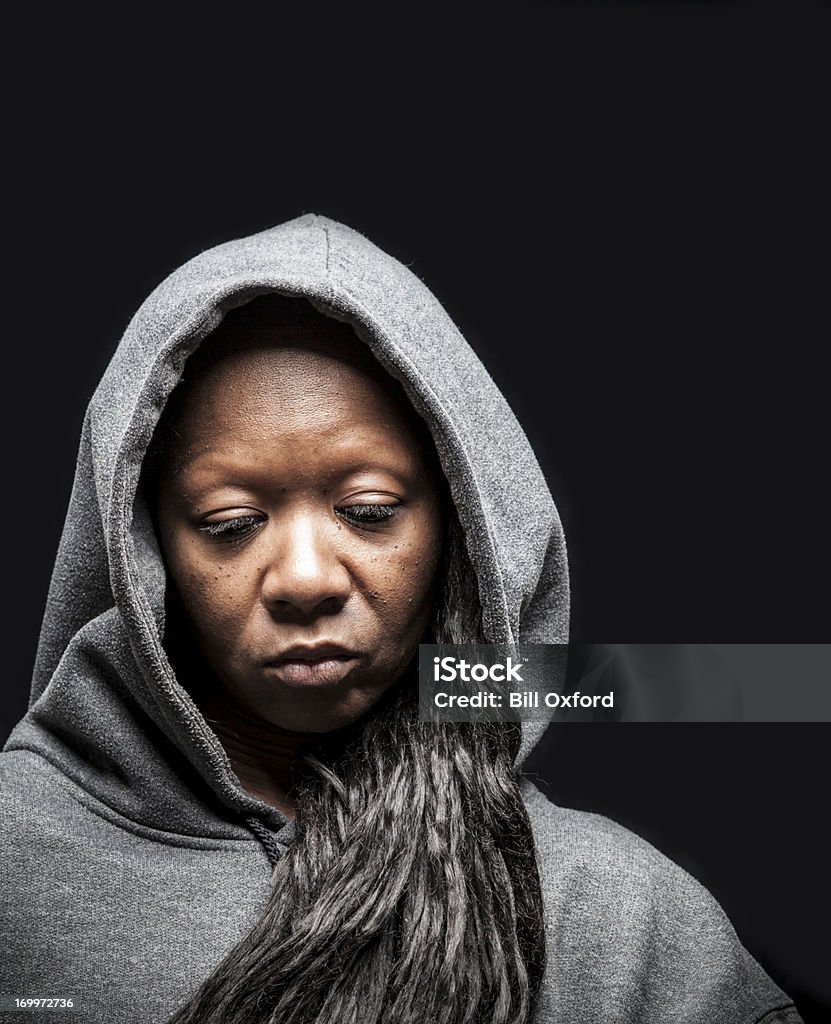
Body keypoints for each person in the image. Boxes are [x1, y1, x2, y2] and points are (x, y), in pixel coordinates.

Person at [0, 214, 803, 1023]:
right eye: (232, 522)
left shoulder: (621, 923)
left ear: (459, 533)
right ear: (141, 550)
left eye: (369, 510)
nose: (305, 578)